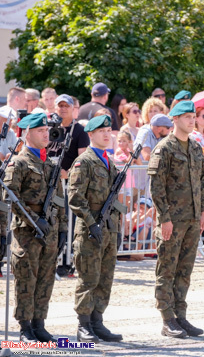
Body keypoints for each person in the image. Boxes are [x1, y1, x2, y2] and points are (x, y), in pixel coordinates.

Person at [4, 113, 68, 342]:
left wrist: (62, 229)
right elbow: (11, 197)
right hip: (27, 232)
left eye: (46, 131)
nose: (46, 135)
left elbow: (60, 200)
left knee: (45, 279)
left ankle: (40, 324)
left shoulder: (50, 164)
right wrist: (34, 219)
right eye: (40, 131)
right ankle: (25, 328)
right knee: (26, 280)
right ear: (27, 133)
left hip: (49, 231)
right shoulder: (19, 163)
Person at [147, 100, 204, 338]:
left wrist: (203, 211)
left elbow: (201, 182)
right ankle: (167, 318)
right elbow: (157, 186)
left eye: (194, 116)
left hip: (192, 219)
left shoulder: (195, 147)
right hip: (172, 219)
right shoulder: (165, 148)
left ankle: (181, 315)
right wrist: (164, 218)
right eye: (186, 117)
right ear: (174, 119)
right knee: (167, 270)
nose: (192, 120)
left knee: (185, 270)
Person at [68, 115, 124, 342]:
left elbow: (115, 202)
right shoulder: (85, 161)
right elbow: (75, 197)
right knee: (88, 279)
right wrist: (92, 223)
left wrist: (117, 229)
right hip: (90, 231)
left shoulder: (109, 162)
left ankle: (97, 321)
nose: (107, 134)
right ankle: (83, 325)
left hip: (108, 230)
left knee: (105, 278)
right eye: (101, 130)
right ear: (90, 134)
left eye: (109, 130)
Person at [47, 94, 90, 179]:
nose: (63, 108)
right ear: (55, 108)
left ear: (73, 109)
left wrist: (67, 174)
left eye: (67, 106)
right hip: (48, 177)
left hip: (69, 181)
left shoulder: (80, 131)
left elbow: (82, 160)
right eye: (61, 106)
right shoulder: (48, 129)